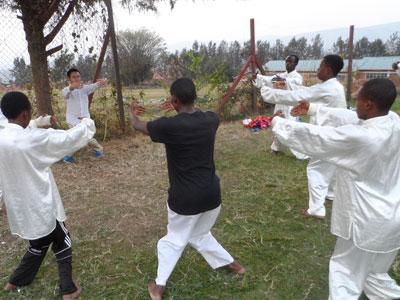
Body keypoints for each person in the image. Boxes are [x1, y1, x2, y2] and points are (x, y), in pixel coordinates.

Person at [272, 78, 400, 299]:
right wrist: (313, 109)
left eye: (358, 99)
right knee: (374, 273)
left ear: (369, 105)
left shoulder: (364, 138)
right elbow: (350, 116)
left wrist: (279, 124)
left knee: (344, 271)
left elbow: (321, 139)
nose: (354, 103)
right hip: (391, 218)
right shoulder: (393, 120)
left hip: (365, 221)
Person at [129, 78, 245, 300]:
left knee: (173, 240)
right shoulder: (211, 120)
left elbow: (138, 125)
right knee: (199, 234)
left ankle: (159, 287)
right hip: (212, 196)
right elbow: (194, 113)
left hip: (185, 200)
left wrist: (133, 112)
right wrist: (179, 105)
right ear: (194, 98)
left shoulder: (168, 126)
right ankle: (233, 265)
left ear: (173, 100)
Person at [0, 91, 96, 299]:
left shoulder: (2, 136)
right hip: (42, 203)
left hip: (19, 204)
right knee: (62, 239)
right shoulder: (31, 140)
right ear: (25, 115)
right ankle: (68, 290)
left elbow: (26, 130)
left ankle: (15, 281)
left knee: (39, 242)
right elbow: (67, 138)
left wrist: (2, 201)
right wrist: (87, 122)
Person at [260, 54, 346, 219]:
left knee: (315, 168)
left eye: (320, 66)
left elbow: (295, 96)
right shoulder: (336, 87)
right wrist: (310, 107)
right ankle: (331, 193)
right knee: (331, 164)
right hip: (337, 134)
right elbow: (308, 93)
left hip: (327, 136)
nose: (318, 70)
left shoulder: (327, 87)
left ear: (327, 69)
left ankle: (316, 209)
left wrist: (267, 92)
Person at [254, 54, 307, 159]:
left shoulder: (297, 77)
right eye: (287, 61)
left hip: (290, 106)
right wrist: (258, 77)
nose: (288, 63)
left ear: (296, 63)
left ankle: (300, 153)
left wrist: (284, 81)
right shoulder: (282, 74)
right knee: (277, 124)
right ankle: (275, 148)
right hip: (280, 104)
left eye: (290, 62)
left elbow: (295, 86)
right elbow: (269, 80)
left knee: (291, 128)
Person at [62, 68, 107, 163]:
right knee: (80, 136)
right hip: (73, 119)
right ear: (69, 79)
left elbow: (94, 86)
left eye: (78, 76)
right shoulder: (67, 90)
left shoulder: (85, 88)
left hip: (85, 119)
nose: (77, 78)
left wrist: (102, 82)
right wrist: (72, 87)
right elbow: (65, 94)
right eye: (74, 77)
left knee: (84, 136)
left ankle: (98, 149)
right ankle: (67, 156)